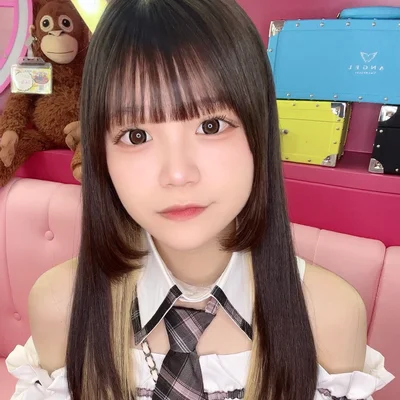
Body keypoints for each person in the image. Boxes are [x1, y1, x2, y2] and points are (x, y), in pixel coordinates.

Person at [6, 0, 395, 399]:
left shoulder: (329, 316)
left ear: (259, 133)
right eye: (137, 135)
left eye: (211, 125)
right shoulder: (62, 306)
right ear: (99, 154)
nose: (177, 174)